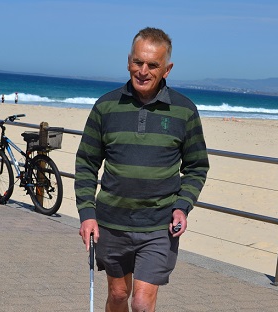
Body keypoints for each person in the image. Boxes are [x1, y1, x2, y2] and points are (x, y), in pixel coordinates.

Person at [75, 27, 209, 311]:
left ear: (167, 69)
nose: (143, 71)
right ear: (128, 61)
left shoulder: (185, 111)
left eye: (153, 65)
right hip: (112, 223)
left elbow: (197, 167)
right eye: (138, 62)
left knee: (142, 302)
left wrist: (182, 207)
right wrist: (87, 214)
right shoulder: (105, 106)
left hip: (159, 226)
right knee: (119, 295)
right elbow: (86, 163)